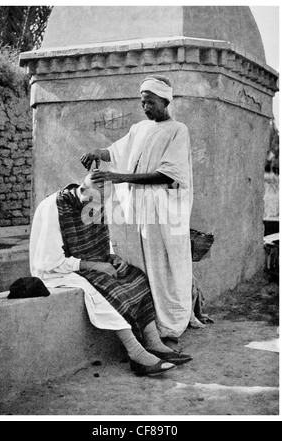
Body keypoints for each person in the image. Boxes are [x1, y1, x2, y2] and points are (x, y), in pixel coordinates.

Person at [29, 177, 193, 376]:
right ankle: (136, 353)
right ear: (82, 189)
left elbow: (100, 240)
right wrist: (94, 265)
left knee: (135, 276)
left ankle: (153, 342)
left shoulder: (94, 200)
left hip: (88, 262)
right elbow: (49, 260)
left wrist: (112, 257)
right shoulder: (53, 208)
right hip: (57, 270)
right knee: (104, 287)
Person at [80, 75, 193, 349]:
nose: (146, 107)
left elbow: (167, 176)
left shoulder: (178, 130)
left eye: (151, 102)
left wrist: (120, 177)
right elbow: (119, 150)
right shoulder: (139, 128)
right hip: (138, 212)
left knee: (165, 266)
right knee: (141, 265)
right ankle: (149, 322)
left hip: (163, 213)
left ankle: (172, 323)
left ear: (165, 101)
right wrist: (99, 151)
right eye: (143, 102)